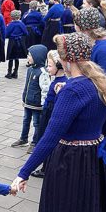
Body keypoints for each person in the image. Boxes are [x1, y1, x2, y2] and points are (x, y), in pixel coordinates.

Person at [12, 32, 106, 212]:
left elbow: (49, 137)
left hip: (69, 161)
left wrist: (23, 172)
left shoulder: (72, 91)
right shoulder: (102, 83)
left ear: (66, 59)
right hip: (92, 160)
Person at [31, 50, 68, 178]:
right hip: (47, 112)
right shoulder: (58, 79)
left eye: (50, 65)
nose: (47, 68)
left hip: (50, 114)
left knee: (47, 140)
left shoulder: (61, 83)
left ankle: (46, 167)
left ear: (59, 67)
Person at [74, 7, 106, 99]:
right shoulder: (91, 41)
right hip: (93, 93)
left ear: (81, 26)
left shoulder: (105, 49)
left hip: (101, 98)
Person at [10, 44, 49, 153]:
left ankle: (35, 142)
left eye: (30, 55)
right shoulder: (30, 69)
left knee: (37, 123)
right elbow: (27, 85)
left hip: (37, 105)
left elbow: (45, 89)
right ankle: (23, 139)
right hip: (28, 102)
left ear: (37, 57)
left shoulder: (43, 72)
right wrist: (24, 97)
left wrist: (43, 104)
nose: (28, 57)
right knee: (26, 120)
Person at [5, 10, 29, 79]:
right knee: (17, 58)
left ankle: (9, 73)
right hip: (19, 42)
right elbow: (26, 33)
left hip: (12, 41)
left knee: (11, 58)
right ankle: (15, 72)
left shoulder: (10, 24)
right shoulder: (21, 24)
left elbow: (6, 34)